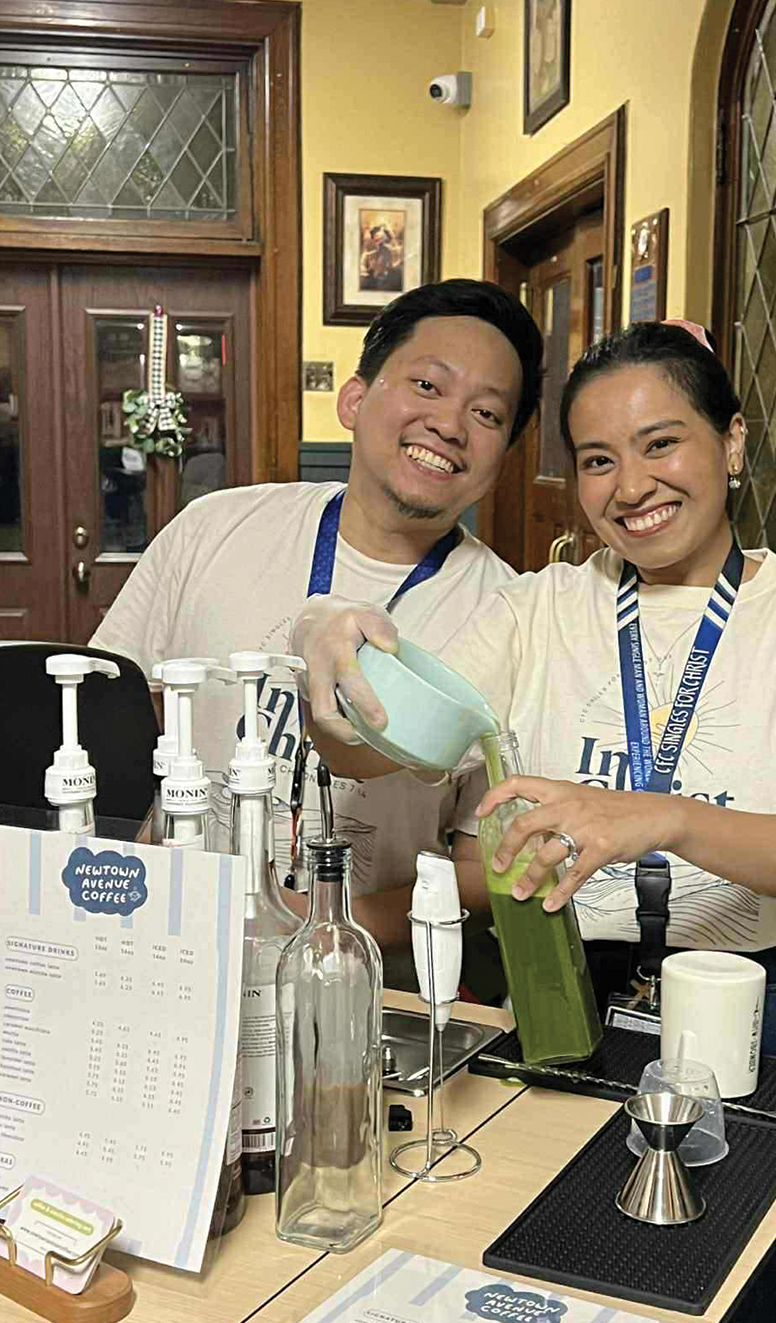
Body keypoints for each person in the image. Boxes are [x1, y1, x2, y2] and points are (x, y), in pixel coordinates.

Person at [301, 321, 776, 1323]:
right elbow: (380, 747)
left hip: (770, 1010)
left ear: (732, 444)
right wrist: (335, 656)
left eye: (662, 444)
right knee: (557, 1321)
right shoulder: (545, 609)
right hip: (569, 995)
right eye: (597, 459)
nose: (630, 486)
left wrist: (657, 816)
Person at [92, 279, 542, 971]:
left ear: (503, 456)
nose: (450, 425)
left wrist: (321, 921)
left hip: (366, 985)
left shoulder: (510, 613)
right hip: (171, 951)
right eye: (427, 385)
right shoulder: (213, 529)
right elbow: (113, 725)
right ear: (354, 400)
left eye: (486, 413)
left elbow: (485, 870)